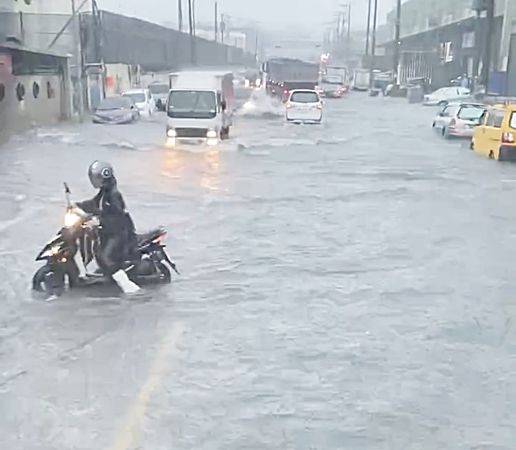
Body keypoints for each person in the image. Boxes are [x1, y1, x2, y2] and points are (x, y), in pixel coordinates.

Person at [76, 161, 140, 294]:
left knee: (106, 257)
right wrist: (78, 206)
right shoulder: (105, 192)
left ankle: (129, 287)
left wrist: (98, 221)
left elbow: (117, 217)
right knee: (96, 250)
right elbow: (94, 203)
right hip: (109, 230)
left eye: (95, 178)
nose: (93, 181)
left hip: (119, 233)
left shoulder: (113, 195)